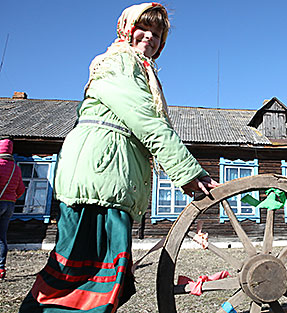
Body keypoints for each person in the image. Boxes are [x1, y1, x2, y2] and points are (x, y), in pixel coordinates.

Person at [20, 3, 218, 312]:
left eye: (157, 34)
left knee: (100, 276)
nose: (149, 38)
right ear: (126, 29)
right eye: (144, 28)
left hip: (107, 177)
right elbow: (146, 121)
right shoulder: (120, 63)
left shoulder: (140, 69)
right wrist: (189, 172)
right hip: (99, 179)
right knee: (79, 277)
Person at [0, 138, 25, 280]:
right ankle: (1, 268)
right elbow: (21, 188)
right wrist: (13, 198)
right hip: (9, 204)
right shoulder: (16, 168)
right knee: (2, 237)